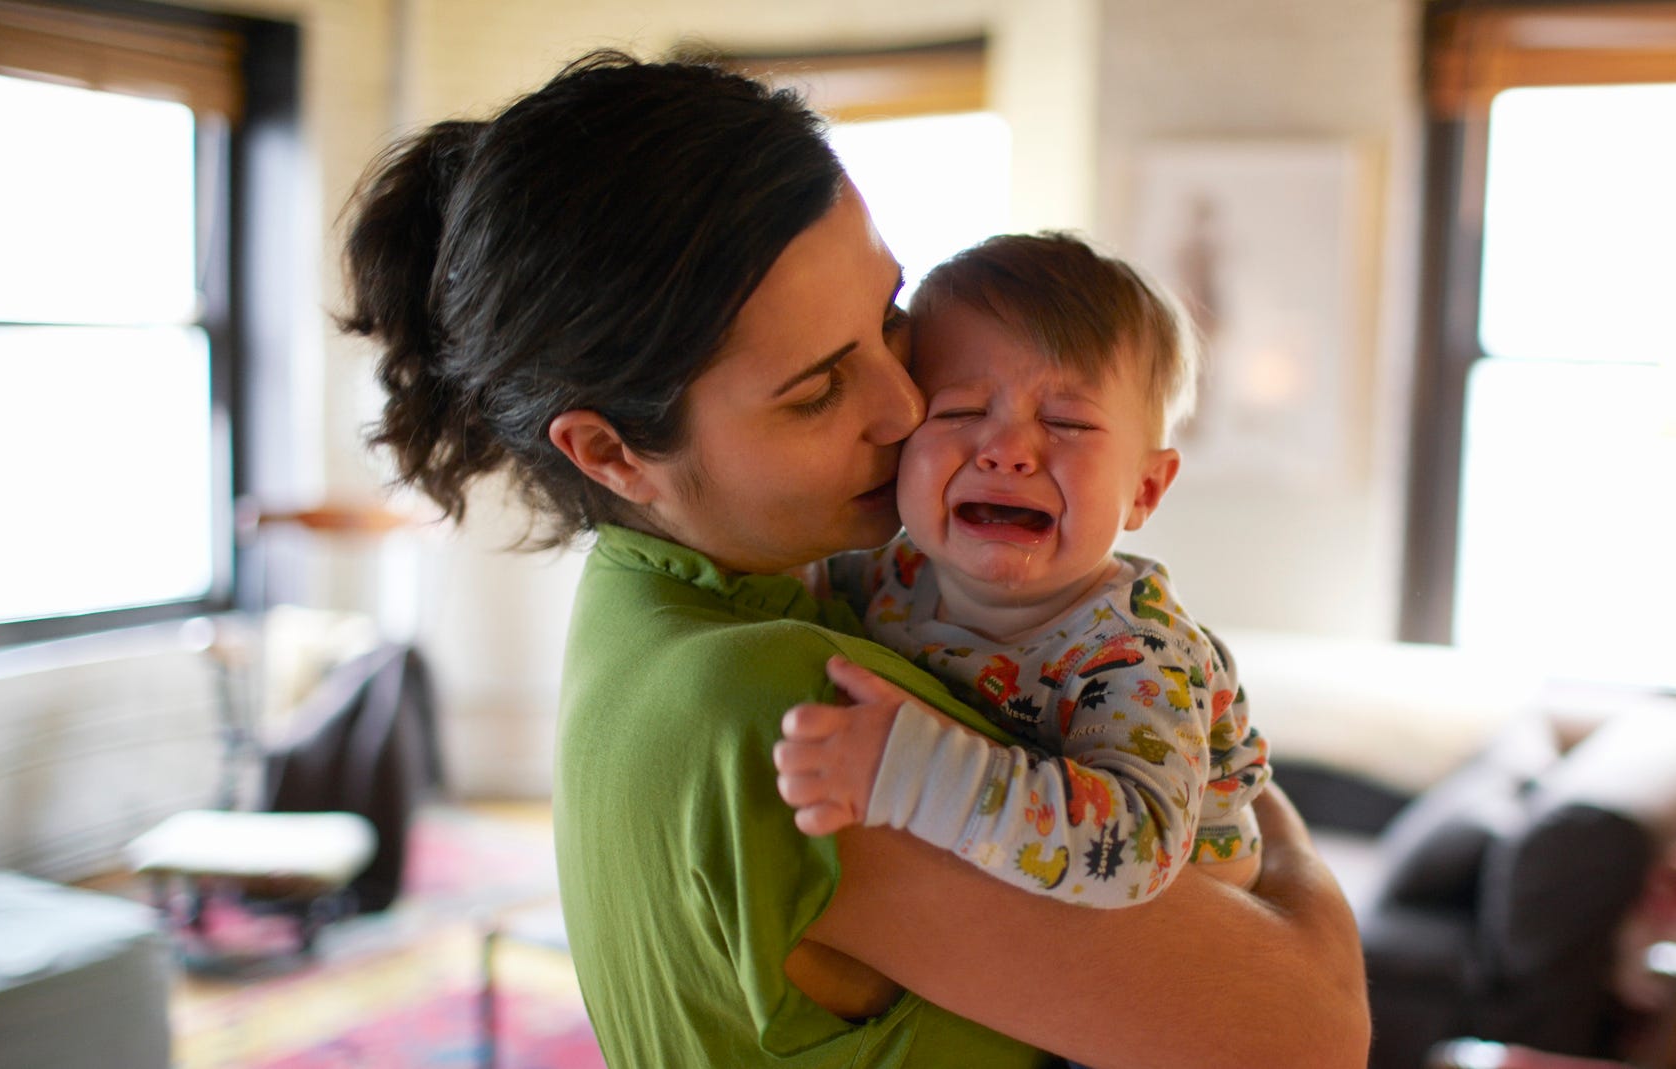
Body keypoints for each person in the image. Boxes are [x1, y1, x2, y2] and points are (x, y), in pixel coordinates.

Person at [341, 49, 1368, 1069]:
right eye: (818, 390)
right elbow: (1308, 1034)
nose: (908, 404)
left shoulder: (662, 603)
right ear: (611, 451)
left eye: (889, 322)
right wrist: (1280, 835)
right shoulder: (798, 713)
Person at [774, 233, 1269, 909]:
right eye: (961, 412)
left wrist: (916, 774)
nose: (1006, 450)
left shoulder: (1135, 653)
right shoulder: (890, 573)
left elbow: (1136, 848)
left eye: (1066, 421)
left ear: (1146, 490)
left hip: (1171, 944)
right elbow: (777, 583)